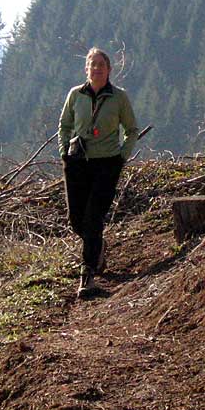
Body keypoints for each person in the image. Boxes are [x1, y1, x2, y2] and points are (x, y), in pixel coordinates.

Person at [58, 47, 139, 298]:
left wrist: (121, 156)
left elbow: (131, 129)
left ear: (109, 70)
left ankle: (88, 275)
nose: (96, 69)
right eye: (92, 65)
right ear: (86, 69)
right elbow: (64, 125)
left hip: (107, 164)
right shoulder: (75, 95)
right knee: (76, 220)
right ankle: (97, 246)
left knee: (93, 218)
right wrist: (64, 151)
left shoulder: (119, 97)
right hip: (77, 163)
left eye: (101, 65)